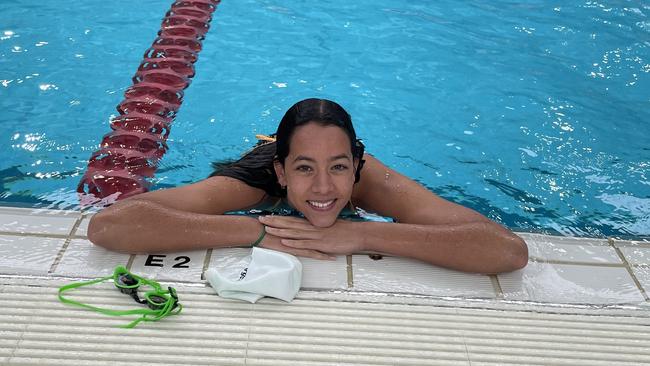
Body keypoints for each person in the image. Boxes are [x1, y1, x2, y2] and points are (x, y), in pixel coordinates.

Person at [88, 98, 528, 274]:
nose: (323, 187)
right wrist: (259, 231)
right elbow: (110, 226)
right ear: (282, 172)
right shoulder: (255, 183)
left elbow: (505, 248)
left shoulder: (372, 181)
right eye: (303, 168)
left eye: (338, 167)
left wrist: (361, 234)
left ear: (356, 165)